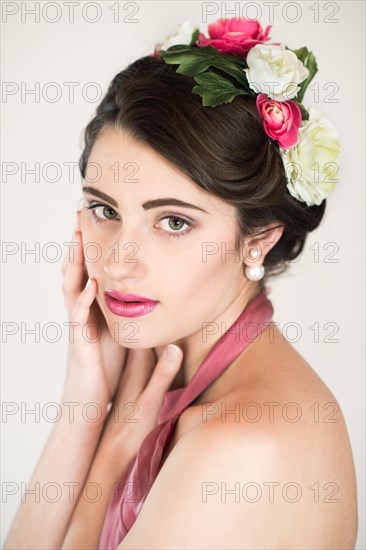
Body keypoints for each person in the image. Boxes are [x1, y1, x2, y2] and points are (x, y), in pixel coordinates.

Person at [4, 16, 357, 550]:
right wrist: (83, 400)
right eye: (103, 209)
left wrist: (112, 450)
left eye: (173, 221)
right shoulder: (163, 377)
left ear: (257, 239)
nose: (120, 262)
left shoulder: (247, 445)